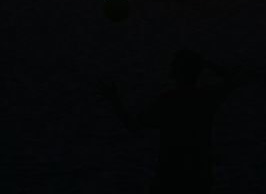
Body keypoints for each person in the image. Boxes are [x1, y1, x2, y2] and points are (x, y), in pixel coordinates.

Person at [103, 49, 245, 193]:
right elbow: (235, 79)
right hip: (198, 173)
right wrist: (205, 63)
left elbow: (132, 125)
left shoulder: (168, 101)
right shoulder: (205, 97)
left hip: (170, 173)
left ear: (176, 72)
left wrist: (115, 100)